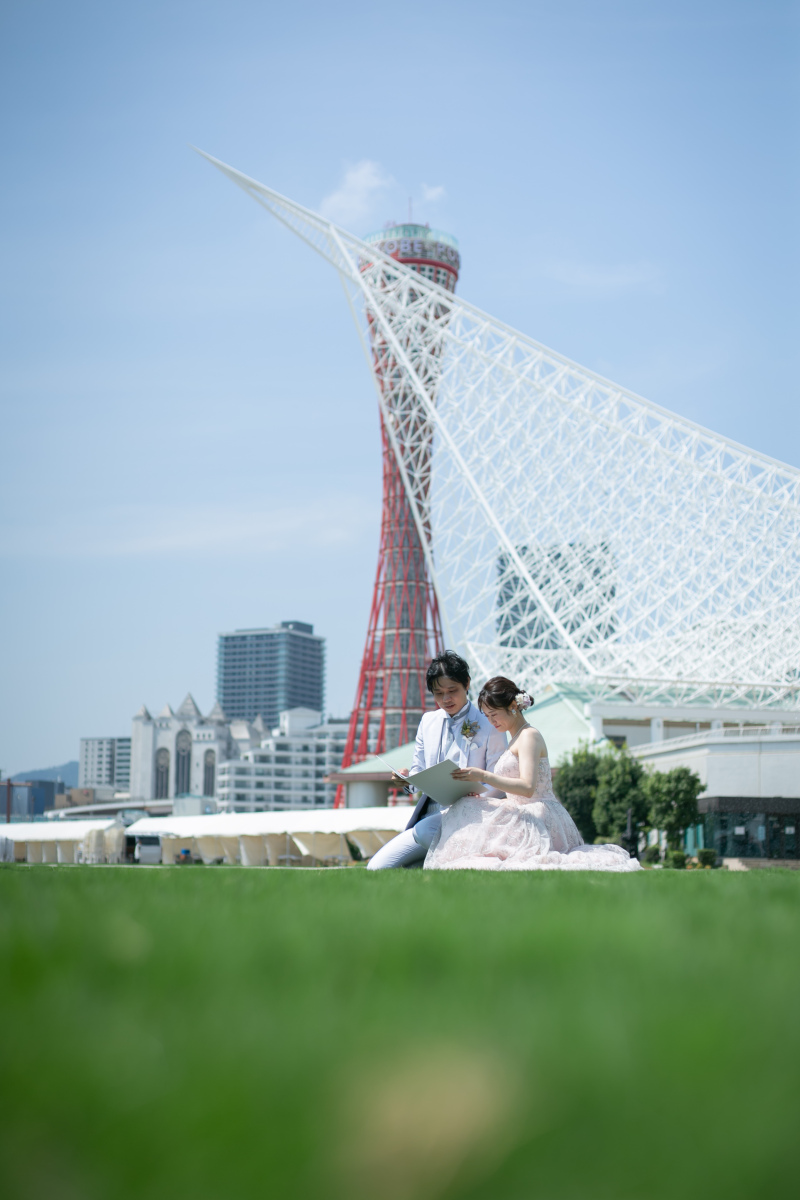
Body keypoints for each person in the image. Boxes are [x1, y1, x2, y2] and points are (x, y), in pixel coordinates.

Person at [424, 676, 642, 872]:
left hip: (538, 814)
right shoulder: (516, 737)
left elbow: (528, 787)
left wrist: (483, 776)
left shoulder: (529, 736)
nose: (491, 722)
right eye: (487, 716)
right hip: (521, 810)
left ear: (512, 707)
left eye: (494, 715)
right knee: (466, 806)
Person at [367, 651, 507, 870]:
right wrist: (406, 780)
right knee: (377, 867)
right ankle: (438, 865)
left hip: (472, 814)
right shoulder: (428, 721)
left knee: (424, 834)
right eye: (438, 693)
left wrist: (478, 795)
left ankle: (456, 864)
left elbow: (500, 780)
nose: (446, 699)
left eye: (452, 691)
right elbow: (419, 772)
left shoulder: (489, 722)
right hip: (431, 814)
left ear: (467, 684)